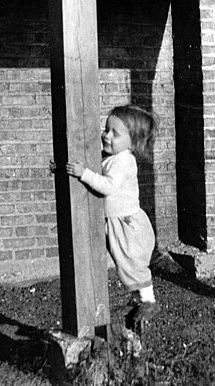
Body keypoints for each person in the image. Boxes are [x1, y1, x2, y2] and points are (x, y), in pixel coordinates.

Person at [51, 104, 160, 330]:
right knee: (123, 263)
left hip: (127, 223)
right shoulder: (111, 157)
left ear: (132, 142)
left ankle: (148, 300)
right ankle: (138, 298)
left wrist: (84, 173)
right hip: (115, 221)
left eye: (115, 133)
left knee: (132, 262)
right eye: (106, 129)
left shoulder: (124, 161)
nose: (106, 135)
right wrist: (64, 168)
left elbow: (107, 185)